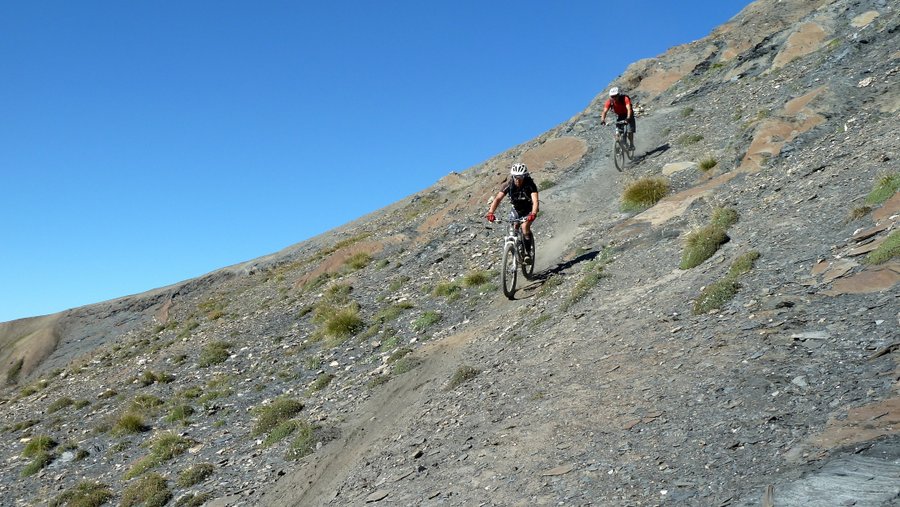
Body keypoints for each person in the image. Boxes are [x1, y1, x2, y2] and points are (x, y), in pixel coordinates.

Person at [486, 163, 539, 264]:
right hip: (516, 210)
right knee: (513, 227)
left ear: (525, 176)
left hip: (529, 210)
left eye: (521, 177)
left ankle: (528, 253)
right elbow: (497, 199)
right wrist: (491, 212)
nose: (518, 179)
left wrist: (533, 213)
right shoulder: (509, 185)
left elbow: (535, 201)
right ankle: (514, 249)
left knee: (524, 227)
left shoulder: (530, 185)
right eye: (515, 177)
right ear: (512, 176)